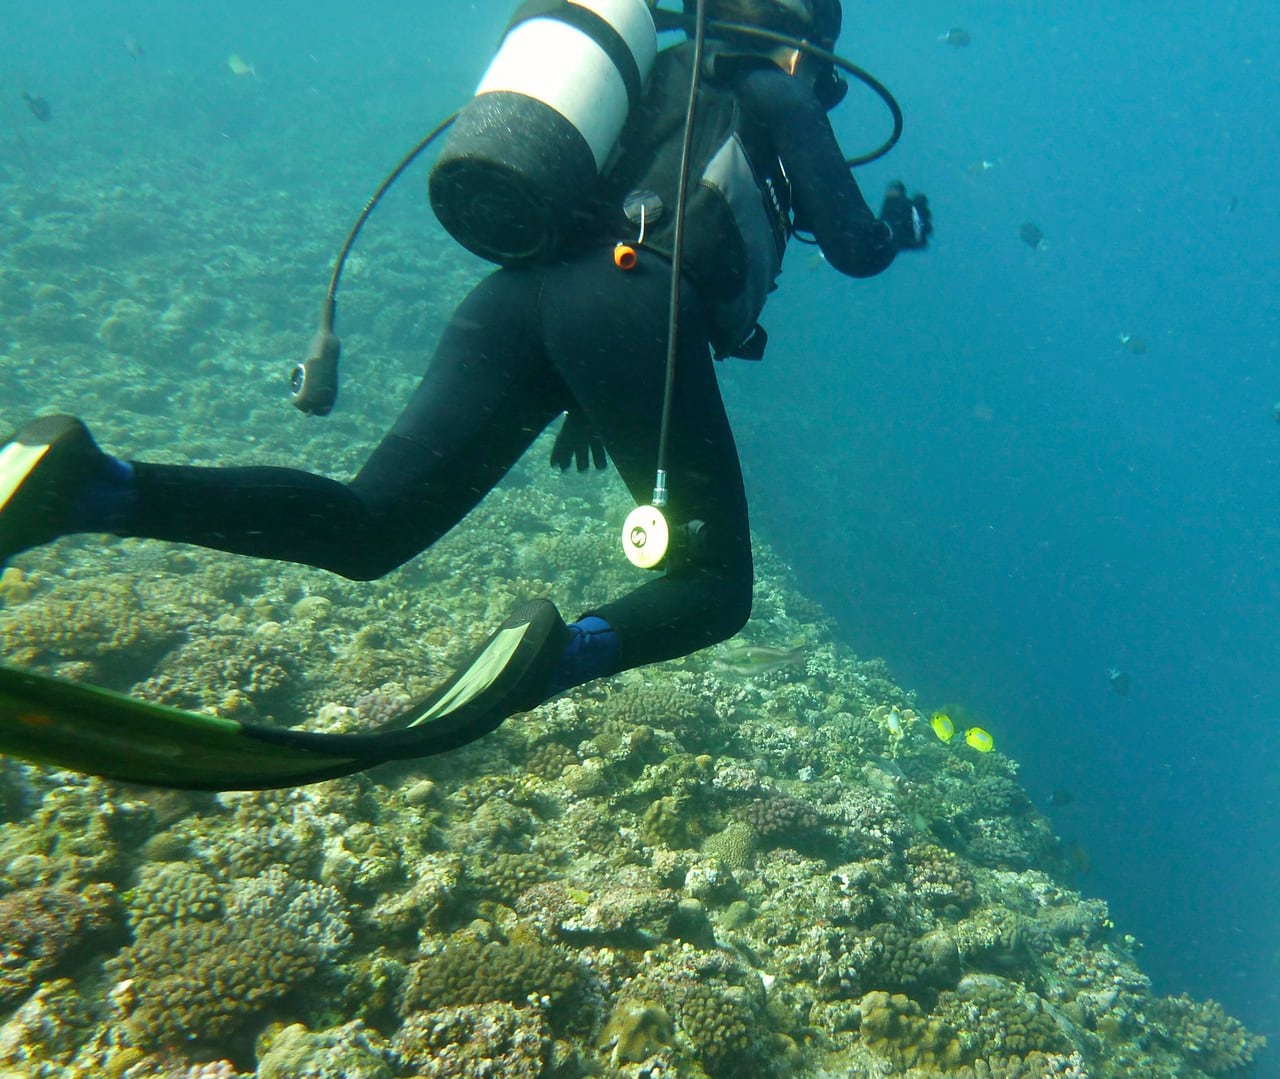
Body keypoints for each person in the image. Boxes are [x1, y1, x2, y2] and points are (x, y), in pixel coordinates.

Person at [0, 0, 930, 754]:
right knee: (716, 586)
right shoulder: (773, 90)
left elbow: (607, 228)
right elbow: (852, 247)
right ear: (804, 38)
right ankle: (558, 656)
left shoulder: (642, 77)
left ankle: (91, 486)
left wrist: (591, 393)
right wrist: (898, 227)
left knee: (371, 524)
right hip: (632, 309)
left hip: (513, 299)